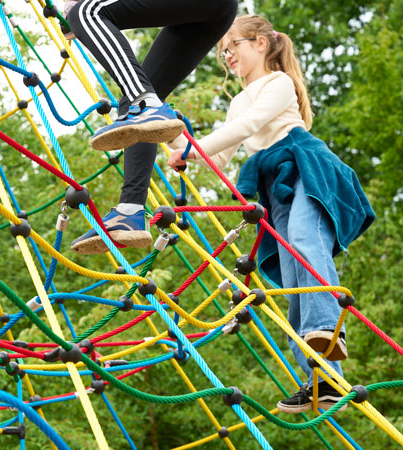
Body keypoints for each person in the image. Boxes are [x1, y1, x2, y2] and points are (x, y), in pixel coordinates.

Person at [167, 15, 375, 413]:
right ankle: (324, 379)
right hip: (273, 185)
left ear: (261, 43)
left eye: (234, 47)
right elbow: (222, 155)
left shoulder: (279, 83)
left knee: (303, 239)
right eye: (223, 51)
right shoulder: (237, 100)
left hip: (305, 171)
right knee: (293, 273)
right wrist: (173, 131)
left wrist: (193, 149)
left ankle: (328, 331)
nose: (227, 56)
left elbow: (251, 124)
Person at [65, 0, 238, 254]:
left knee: (86, 12)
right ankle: (130, 211)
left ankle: (147, 104)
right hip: (212, 12)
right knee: (132, 101)